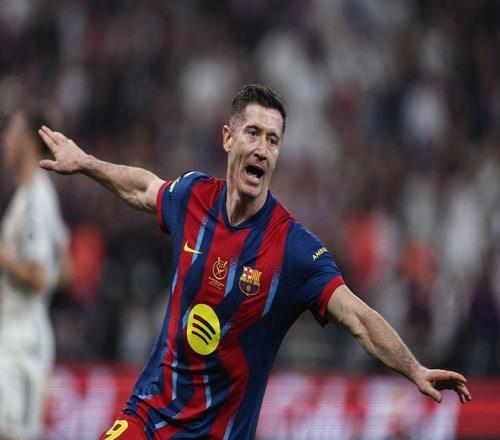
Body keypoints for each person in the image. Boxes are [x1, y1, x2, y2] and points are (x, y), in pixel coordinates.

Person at [38, 84, 471, 440]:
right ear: (228, 138)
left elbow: (357, 317)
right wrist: (86, 164)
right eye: (253, 134)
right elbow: (143, 189)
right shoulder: (193, 196)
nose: (262, 149)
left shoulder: (293, 249)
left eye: (273, 140)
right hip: (148, 417)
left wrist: (414, 368)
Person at [0, 107, 71, 440]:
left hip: (22, 338)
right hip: (21, 331)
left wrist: (3, 257)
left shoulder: (35, 201)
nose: (5, 140)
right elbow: (65, 267)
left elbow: (39, 277)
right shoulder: (35, 195)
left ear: (29, 141)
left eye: (11, 132)